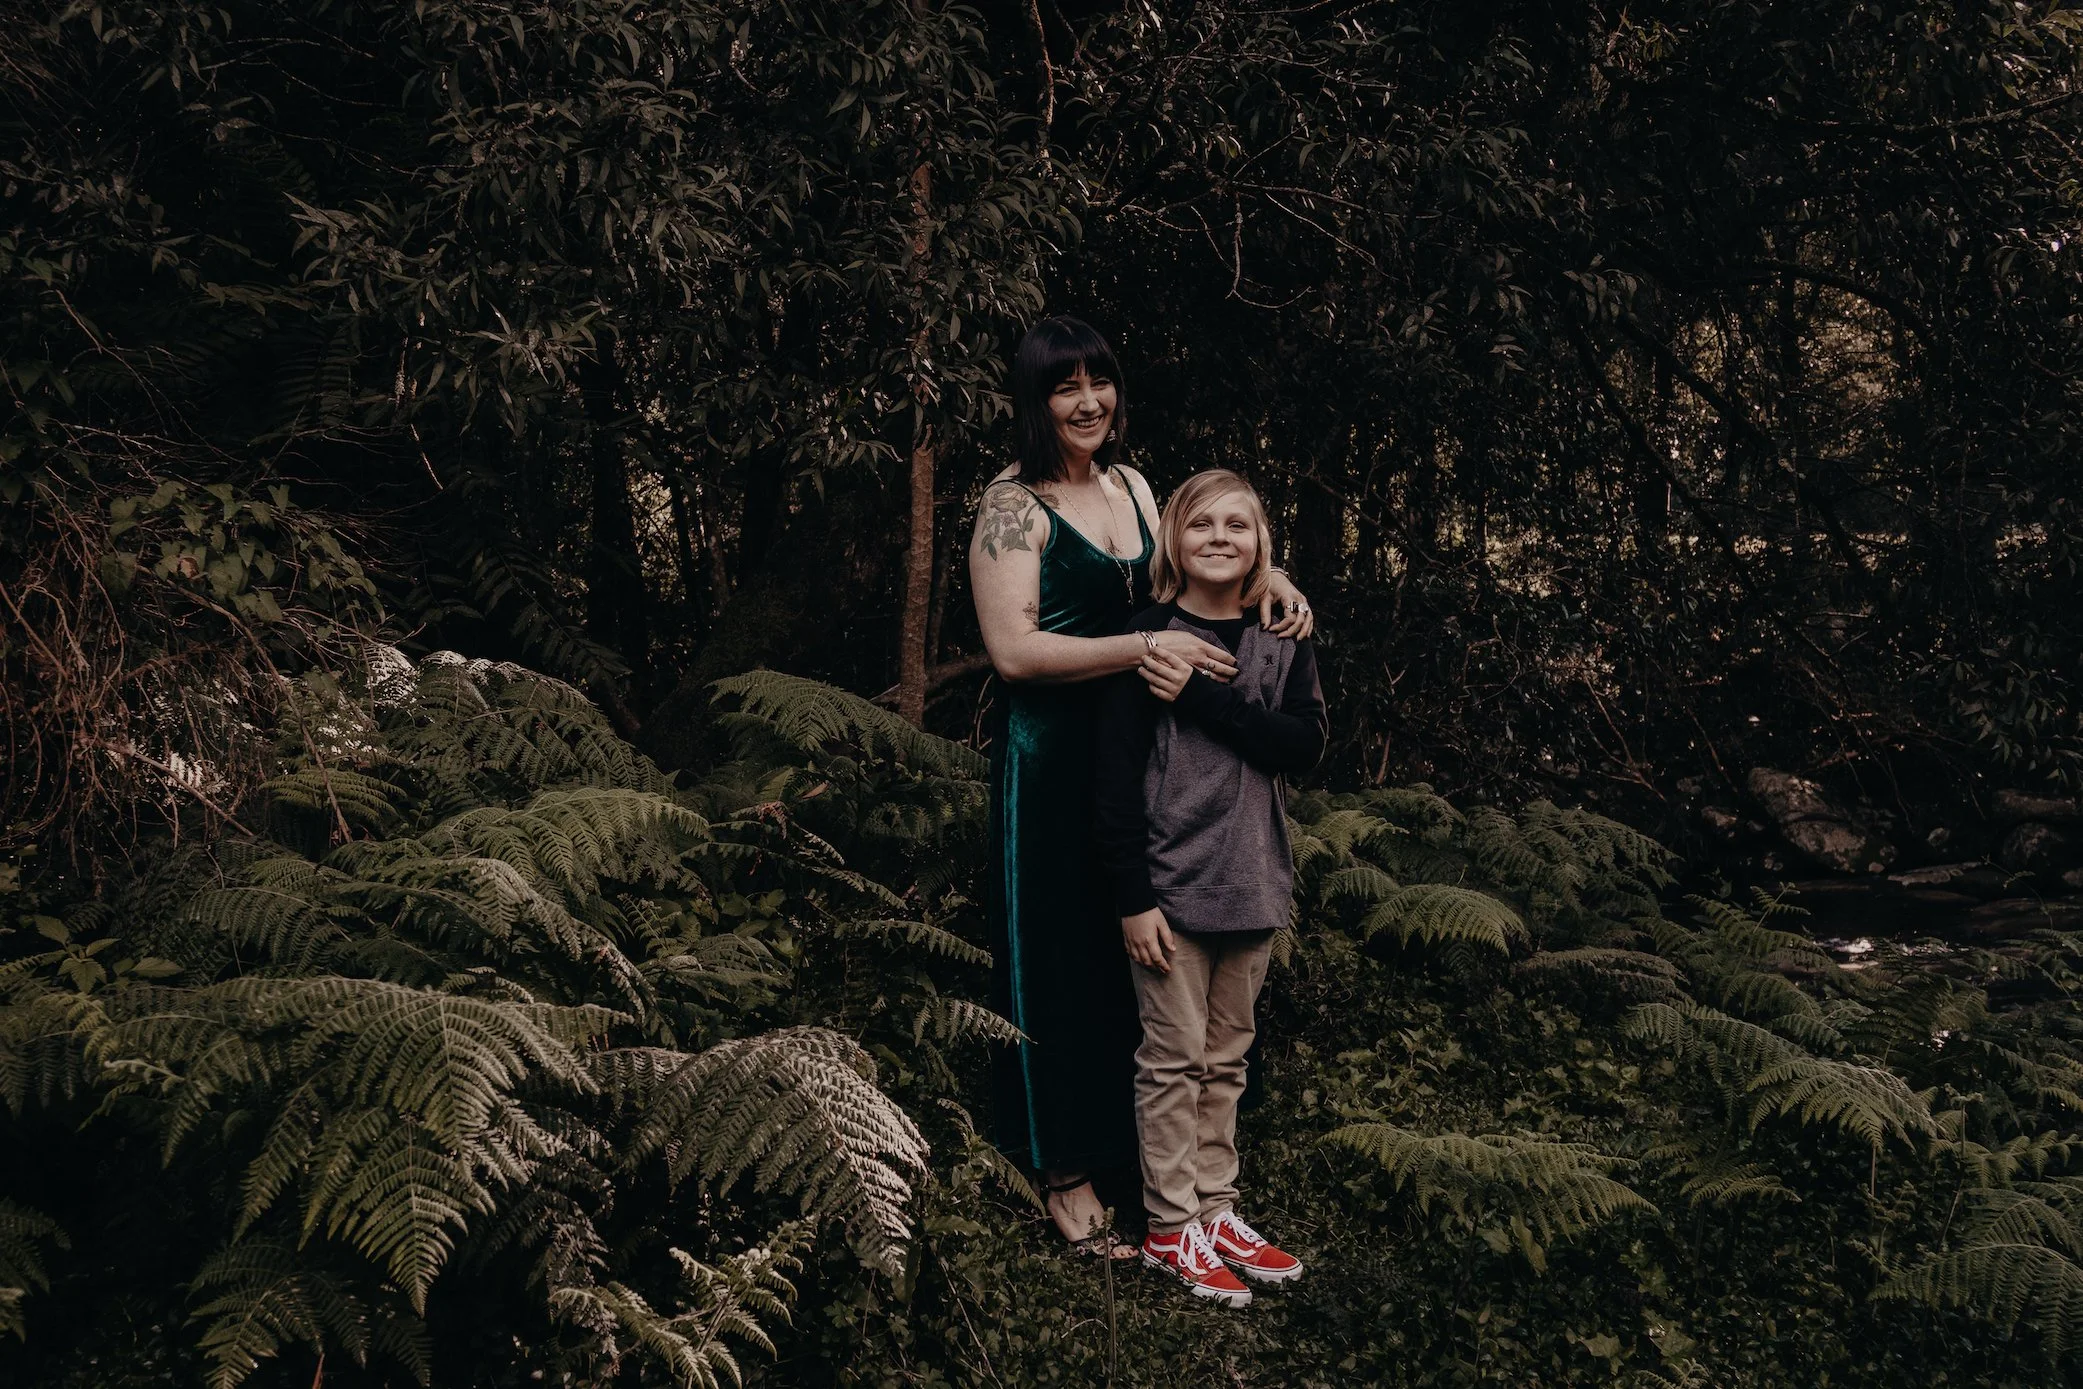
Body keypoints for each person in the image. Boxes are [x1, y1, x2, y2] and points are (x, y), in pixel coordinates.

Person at [968, 319, 1315, 1257]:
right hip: (1053, 755)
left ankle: (1146, 1161)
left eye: (1100, 382)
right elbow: (1013, 651)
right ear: (1035, 400)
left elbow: (1184, 565)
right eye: (1064, 387)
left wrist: (1273, 575)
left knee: (1139, 952)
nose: (1088, 402)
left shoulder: (1128, 484)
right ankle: (1063, 1168)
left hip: (1154, 741)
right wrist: (1147, 647)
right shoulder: (1010, 505)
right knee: (1057, 954)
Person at [1092, 468, 1326, 1306]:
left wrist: (1200, 696)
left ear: (1261, 541)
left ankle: (1214, 1209)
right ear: (1174, 539)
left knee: (1226, 1058)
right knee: (1172, 1060)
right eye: (1201, 524)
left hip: (1253, 878)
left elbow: (1301, 745)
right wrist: (1133, 897)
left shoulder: (1281, 631)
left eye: (1237, 524)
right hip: (1169, 889)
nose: (1219, 537)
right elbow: (1113, 783)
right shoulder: (1145, 637)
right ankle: (1169, 1224)